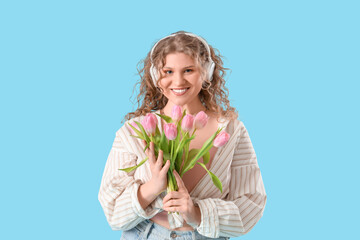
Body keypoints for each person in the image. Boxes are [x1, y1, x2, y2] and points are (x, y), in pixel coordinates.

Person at [98, 31, 267, 240]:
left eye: (188, 70)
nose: (177, 81)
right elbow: (113, 212)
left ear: (206, 72)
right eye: (168, 71)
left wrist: (196, 213)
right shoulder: (133, 131)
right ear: (155, 77)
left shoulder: (232, 131)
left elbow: (251, 205)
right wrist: (152, 188)